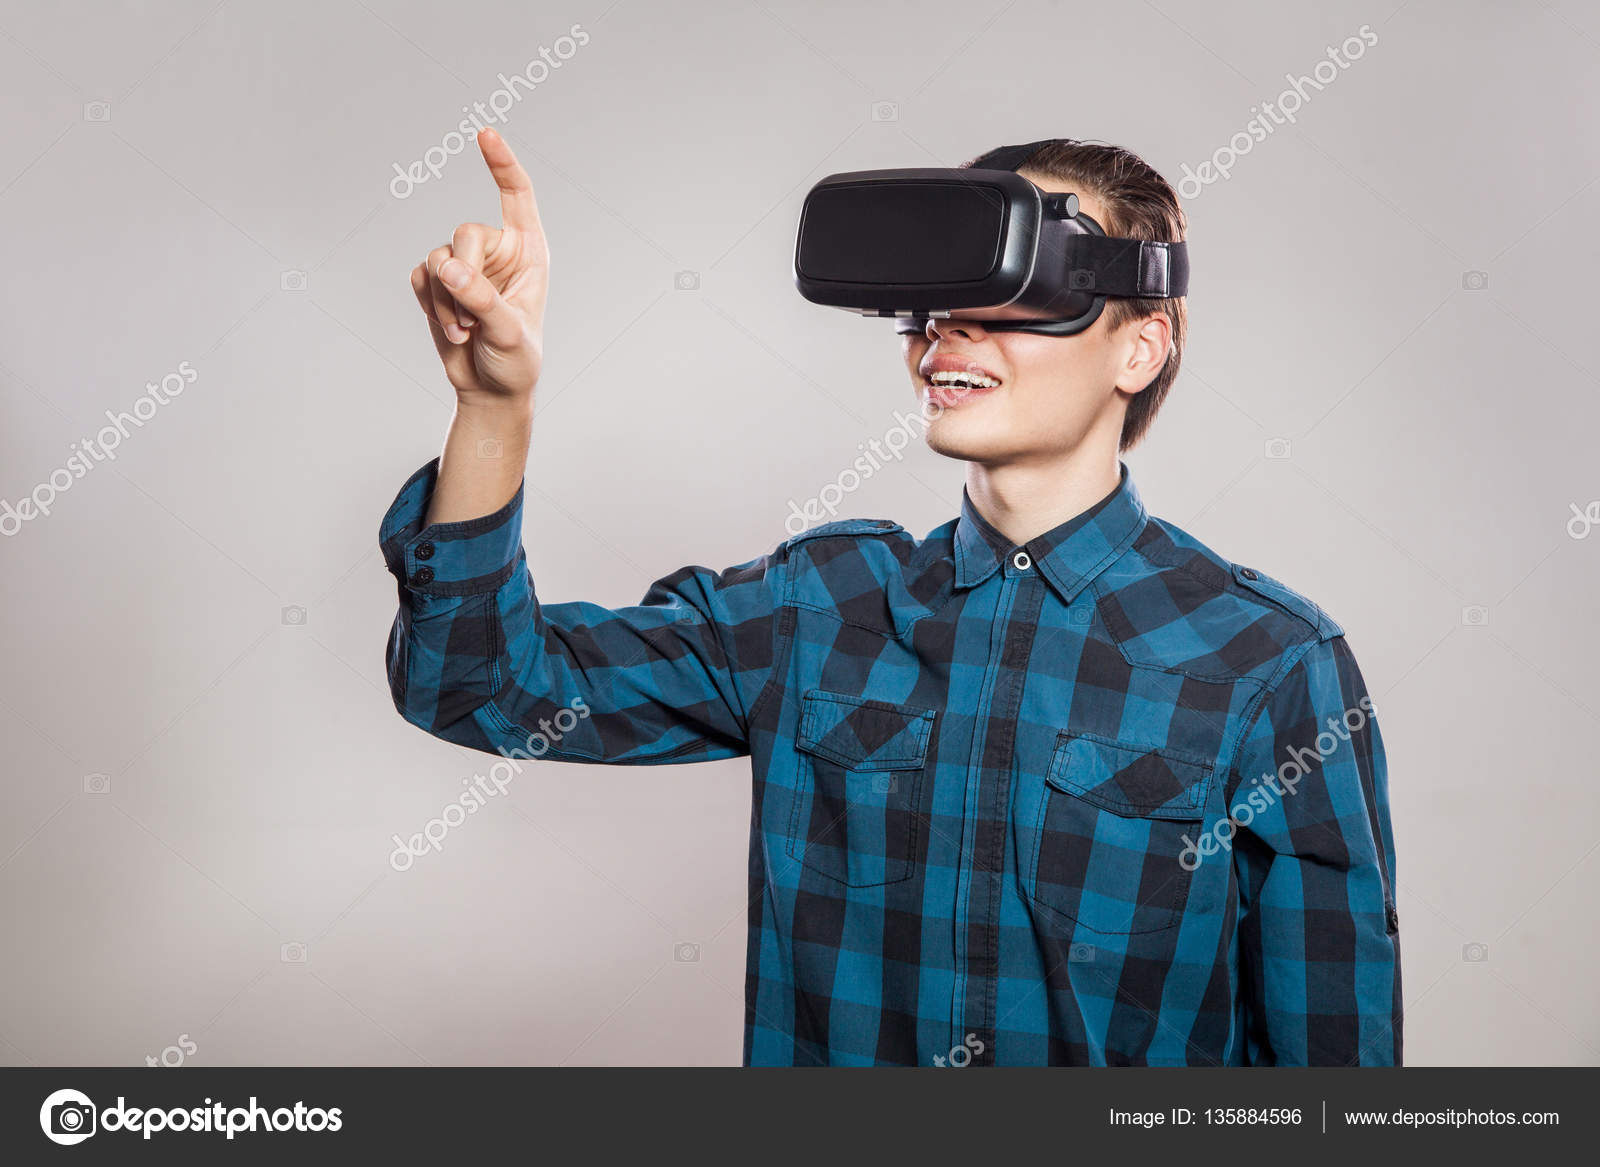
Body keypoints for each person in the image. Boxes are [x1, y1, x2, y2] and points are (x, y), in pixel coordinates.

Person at [380, 128, 1401, 1066]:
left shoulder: (1266, 663)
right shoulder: (814, 609)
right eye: (933, 301)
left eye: (1013, 293)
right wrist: (493, 404)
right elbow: (477, 688)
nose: (948, 335)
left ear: (1139, 346)